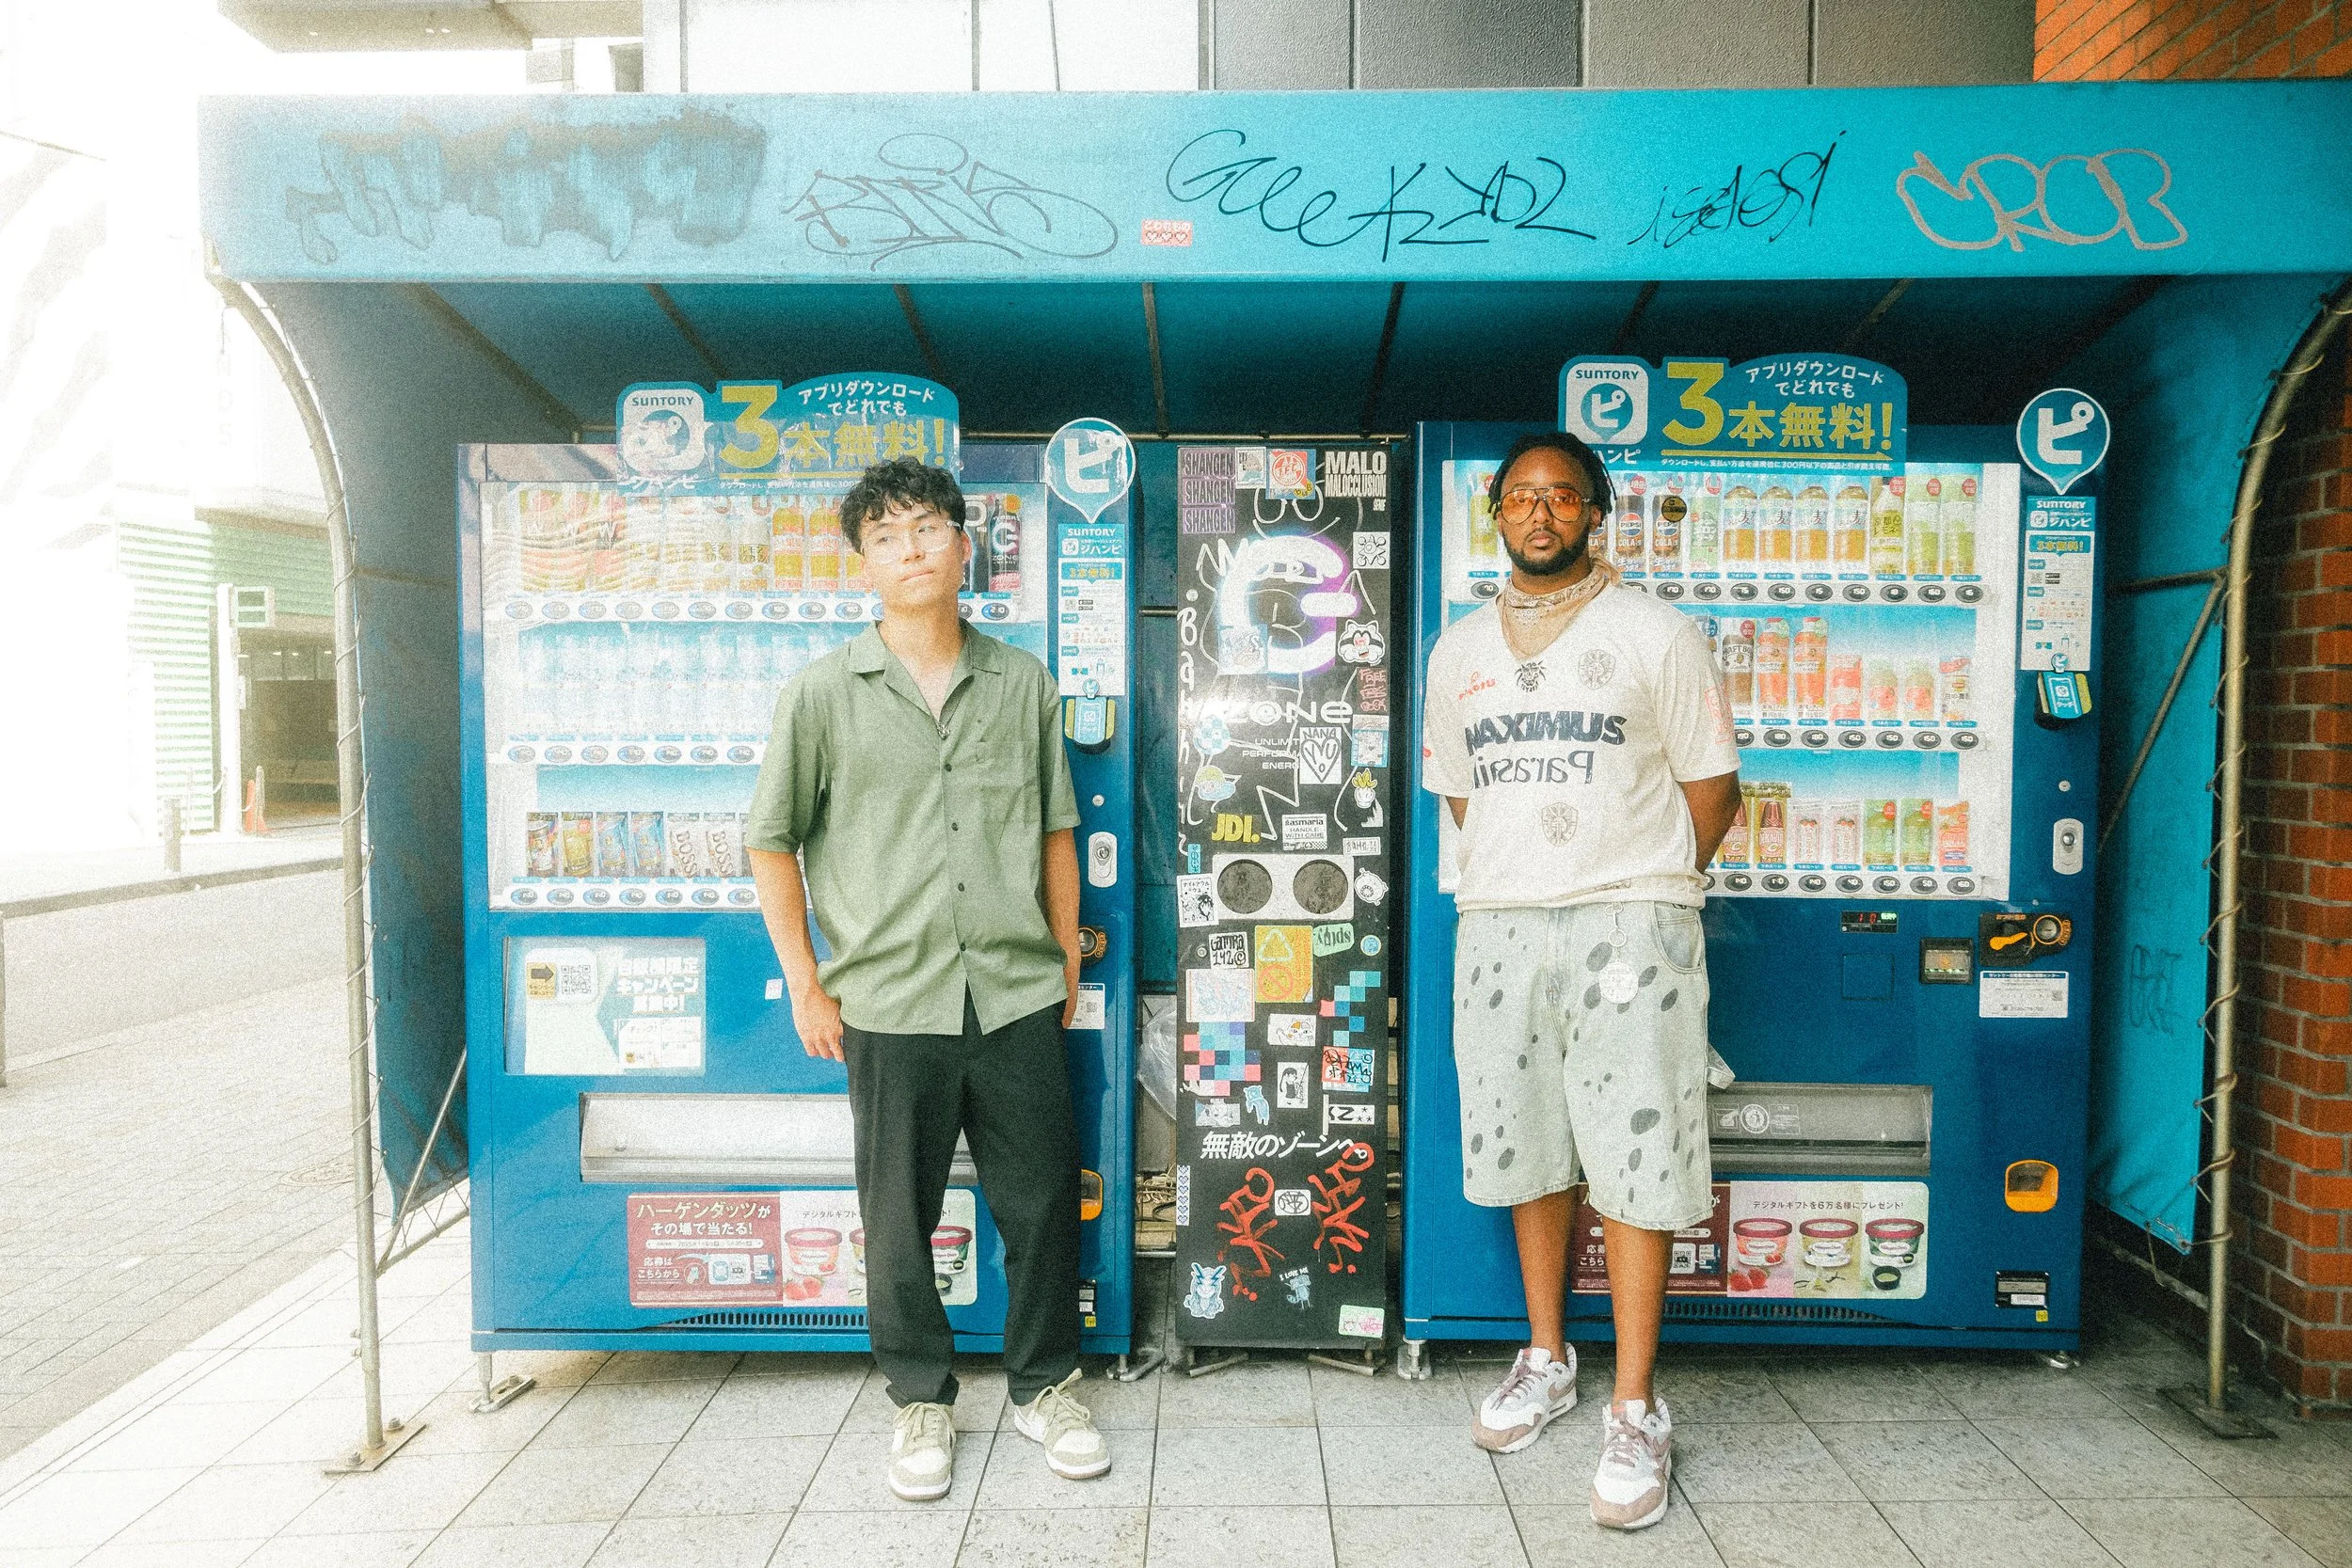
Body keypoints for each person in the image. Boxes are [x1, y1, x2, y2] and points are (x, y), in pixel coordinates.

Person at [746, 457, 1107, 1502]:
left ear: (963, 543)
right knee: (895, 1213)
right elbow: (771, 842)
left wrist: (1062, 953)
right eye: (888, 534)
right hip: (888, 999)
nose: (911, 548)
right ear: (863, 560)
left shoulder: (1022, 681)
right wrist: (808, 984)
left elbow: (1054, 827)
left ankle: (1046, 1384)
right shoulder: (822, 691)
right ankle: (921, 1396)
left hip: (1011, 991)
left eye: (928, 527)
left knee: (1039, 1201)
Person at [1420, 432, 1741, 1530]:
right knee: (1527, 1143)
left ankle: (1637, 1401)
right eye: (1520, 497)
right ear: (1496, 516)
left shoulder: (1657, 631)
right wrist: (1532, 871)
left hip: (1628, 923)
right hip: (1501, 919)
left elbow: (1714, 790)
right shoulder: (1455, 647)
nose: (1540, 512)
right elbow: (1461, 791)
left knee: (1638, 1155)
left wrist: (1641, 889)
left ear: (1596, 512)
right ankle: (1548, 1356)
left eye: (1562, 496)